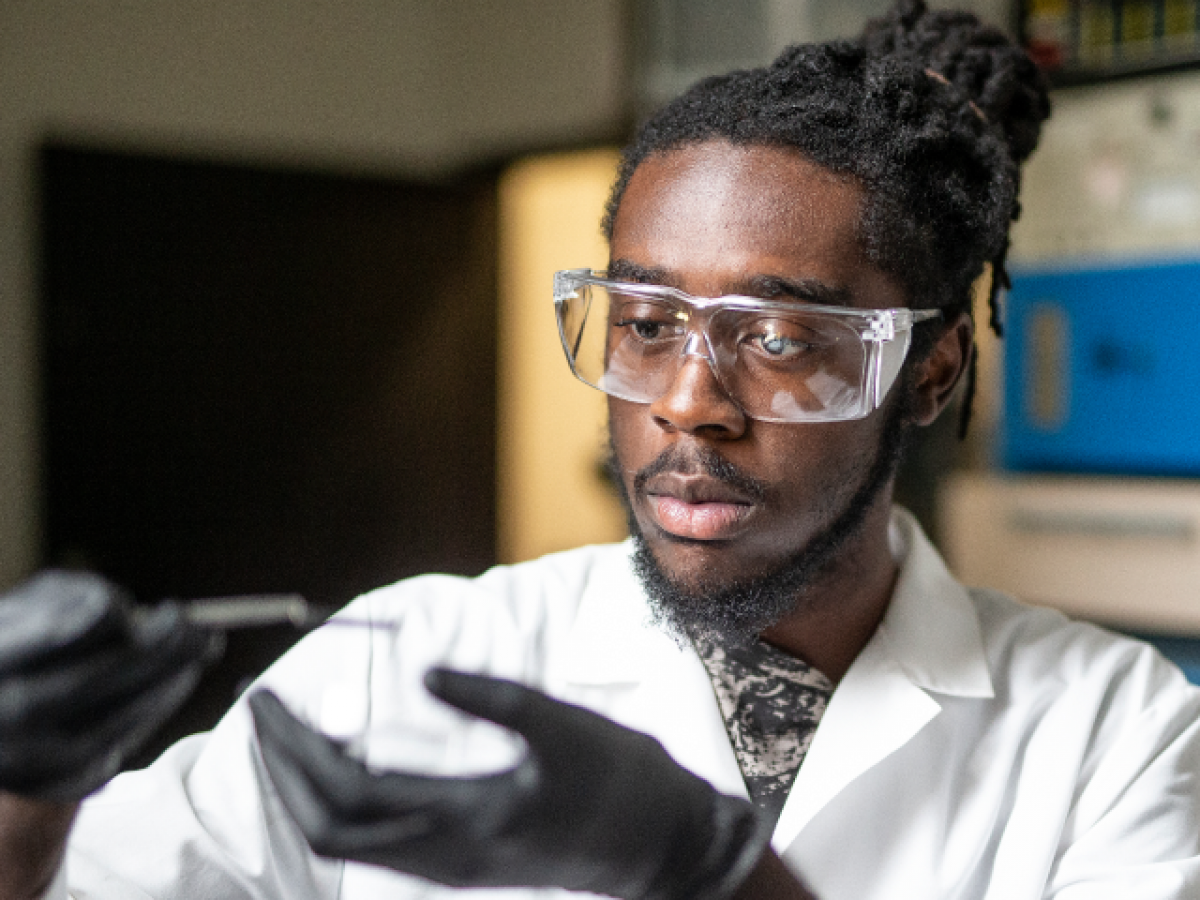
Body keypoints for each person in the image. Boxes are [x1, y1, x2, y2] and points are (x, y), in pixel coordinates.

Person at [3, 2, 1200, 898]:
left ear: (928, 372)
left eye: (779, 338)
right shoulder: (405, 660)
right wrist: (23, 793)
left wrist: (706, 865)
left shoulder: (1113, 733)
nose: (688, 403)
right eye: (646, 324)